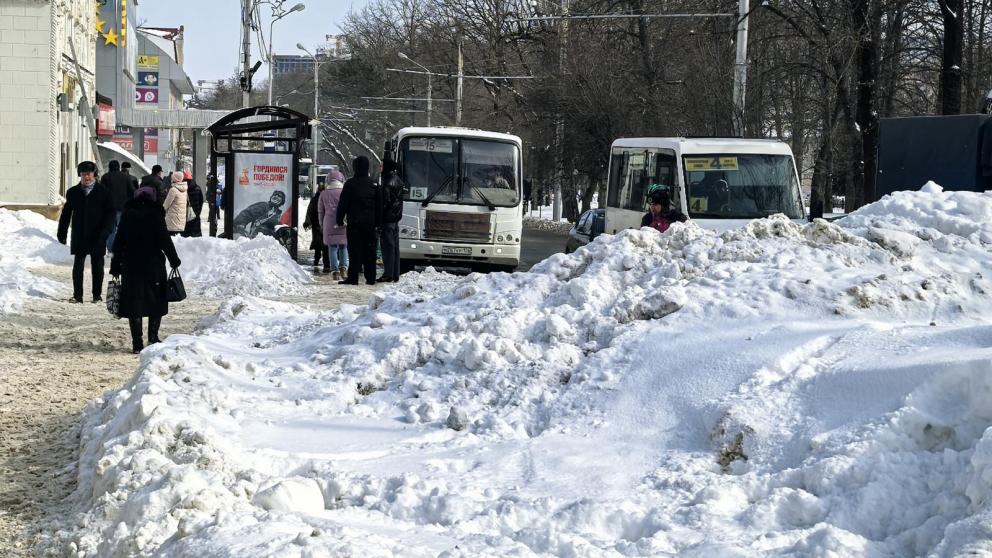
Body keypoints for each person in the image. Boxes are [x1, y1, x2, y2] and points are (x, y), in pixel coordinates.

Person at [110, 186, 182, 353]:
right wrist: (174, 260)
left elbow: (118, 242)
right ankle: (153, 337)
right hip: (153, 264)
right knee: (156, 300)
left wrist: (115, 266)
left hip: (131, 264)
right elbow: (165, 240)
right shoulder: (156, 215)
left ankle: (137, 343)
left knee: (134, 302)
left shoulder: (128, 215)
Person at [57, 161, 115, 303]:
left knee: (98, 265)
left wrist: (106, 231)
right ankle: (78, 295)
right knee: (78, 265)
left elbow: (110, 214)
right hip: (80, 234)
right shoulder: (73, 192)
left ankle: (97, 295)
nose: (86, 177)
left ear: (94, 174)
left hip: (98, 234)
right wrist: (62, 232)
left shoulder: (104, 192)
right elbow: (66, 214)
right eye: (83, 175)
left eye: (88, 174)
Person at [336, 156, 381, 285]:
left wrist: (339, 219)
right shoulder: (374, 184)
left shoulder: (350, 184)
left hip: (354, 223)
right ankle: (370, 277)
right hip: (370, 224)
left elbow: (343, 204)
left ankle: (353, 277)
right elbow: (379, 206)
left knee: (354, 251)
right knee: (370, 251)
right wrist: (378, 223)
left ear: (355, 167)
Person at [317, 170, 348, 279]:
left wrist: (321, 224)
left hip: (329, 223)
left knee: (332, 247)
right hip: (343, 222)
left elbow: (320, 211)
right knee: (344, 246)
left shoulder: (323, 193)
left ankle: (335, 271)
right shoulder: (345, 192)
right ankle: (343, 268)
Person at [100, 160, 136, 252]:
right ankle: (121, 248)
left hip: (109, 209)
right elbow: (132, 191)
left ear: (109, 167)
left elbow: (101, 193)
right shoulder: (125, 177)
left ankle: (111, 250)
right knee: (122, 229)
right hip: (122, 208)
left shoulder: (105, 177)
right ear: (118, 167)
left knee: (110, 230)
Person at [378, 159, 404, 282]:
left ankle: (388, 274)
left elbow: (384, 202)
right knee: (394, 248)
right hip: (395, 218)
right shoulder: (398, 180)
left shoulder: (387, 181)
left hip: (387, 219)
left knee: (387, 247)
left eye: (382, 166)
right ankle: (395, 273)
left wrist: (379, 219)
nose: (380, 168)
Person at [303, 181, 326, 270]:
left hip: (317, 224)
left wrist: (308, 222)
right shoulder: (326, 198)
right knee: (324, 244)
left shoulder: (315, 199)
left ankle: (317, 260)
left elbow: (310, 211)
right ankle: (325, 262)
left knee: (318, 244)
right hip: (324, 223)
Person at [163, 171, 189, 236]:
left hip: (172, 220)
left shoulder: (173, 190)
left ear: (174, 179)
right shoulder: (185, 189)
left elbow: (166, 204)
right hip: (181, 220)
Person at [182, 170, 204, 237]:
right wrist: (198, 212)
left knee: (185, 235)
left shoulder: (182, 188)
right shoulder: (197, 188)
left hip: (184, 214)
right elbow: (201, 201)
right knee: (196, 234)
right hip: (195, 214)